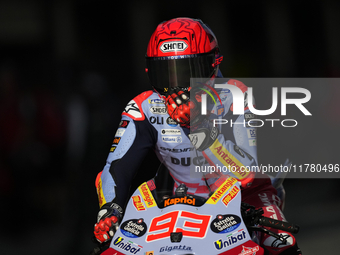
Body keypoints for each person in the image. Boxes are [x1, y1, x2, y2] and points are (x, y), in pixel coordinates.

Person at [93, 17, 301, 255]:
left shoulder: (235, 95)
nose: (177, 87)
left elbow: (245, 173)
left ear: (213, 64)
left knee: (282, 243)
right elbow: (115, 168)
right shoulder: (143, 107)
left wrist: (198, 124)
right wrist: (110, 210)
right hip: (174, 200)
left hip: (245, 195)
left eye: (188, 71)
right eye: (166, 74)